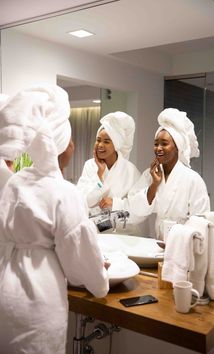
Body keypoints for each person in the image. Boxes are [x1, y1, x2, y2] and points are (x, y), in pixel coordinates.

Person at [0, 84, 109, 354]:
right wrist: (100, 280)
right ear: (62, 143)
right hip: (39, 302)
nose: (74, 143)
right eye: (70, 136)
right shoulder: (64, 192)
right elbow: (81, 267)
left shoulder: (15, 183)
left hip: (6, 293)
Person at [128, 108, 210, 240]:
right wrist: (154, 185)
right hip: (159, 244)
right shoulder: (150, 175)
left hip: (184, 247)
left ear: (177, 147)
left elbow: (202, 221)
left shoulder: (193, 179)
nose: (158, 148)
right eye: (156, 144)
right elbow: (136, 209)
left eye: (164, 144)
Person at [77, 111, 141, 234]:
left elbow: (137, 210)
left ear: (116, 144)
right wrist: (100, 177)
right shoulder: (90, 165)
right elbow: (84, 200)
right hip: (94, 232)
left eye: (106, 141)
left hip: (123, 234)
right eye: (98, 140)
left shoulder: (131, 171)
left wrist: (115, 203)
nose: (100, 145)